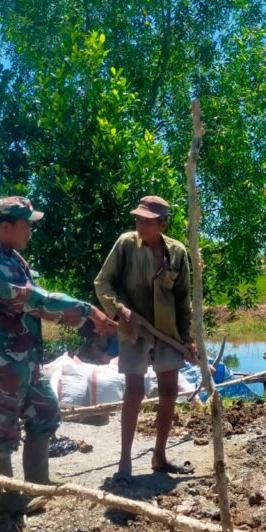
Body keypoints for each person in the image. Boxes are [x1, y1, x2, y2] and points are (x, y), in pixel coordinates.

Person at [0, 196, 112, 514]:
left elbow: (32, 305)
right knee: (0, 435)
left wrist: (64, 316)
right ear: (5, 227)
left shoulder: (8, 254)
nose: (29, 233)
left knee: (46, 414)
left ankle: (37, 483)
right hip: (1, 362)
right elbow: (36, 298)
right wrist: (88, 311)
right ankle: (9, 503)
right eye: (25, 227)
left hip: (24, 358)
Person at [94, 195, 196, 485]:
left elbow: (183, 299)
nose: (140, 225)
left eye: (147, 221)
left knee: (168, 391)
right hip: (133, 329)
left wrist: (189, 339)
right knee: (134, 392)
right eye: (138, 219)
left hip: (167, 332)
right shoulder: (126, 244)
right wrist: (119, 310)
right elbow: (102, 283)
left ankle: (159, 457)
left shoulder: (177, 252)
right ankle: (124, 463)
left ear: (162, 224)